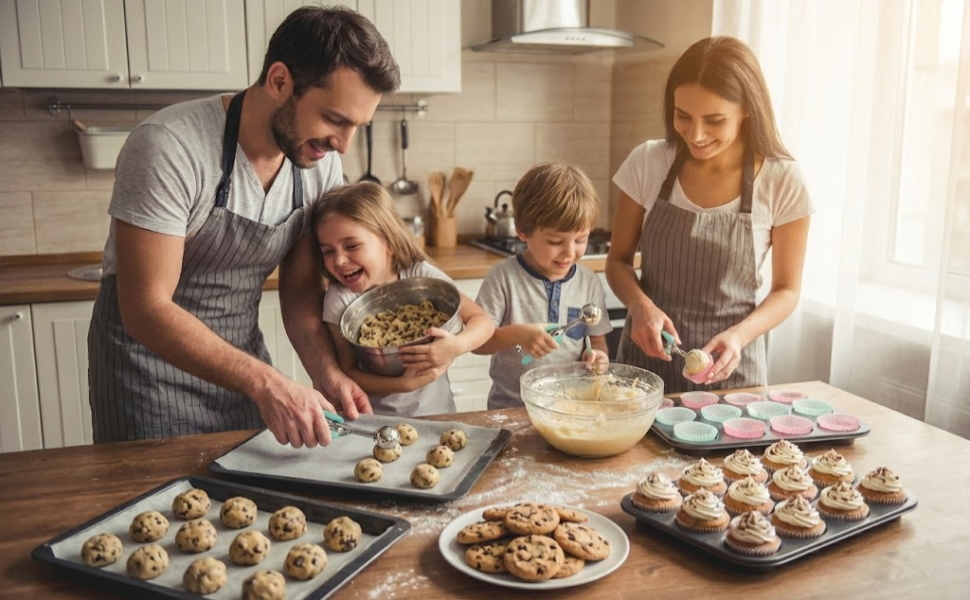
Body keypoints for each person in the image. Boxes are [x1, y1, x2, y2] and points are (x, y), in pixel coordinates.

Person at [87, 6, 401, 447]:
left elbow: (297, 291)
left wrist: (326, 374)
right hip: (146, 378)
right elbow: (145, 310)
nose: (342, 145)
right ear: (279, 81)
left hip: (241, 371)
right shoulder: (170, 147)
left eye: (357, 126)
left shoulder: (319, 164)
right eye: (334, 119)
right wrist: (267, 383)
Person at [606, 36, 814, 394]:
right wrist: (640, 307)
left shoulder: (783, 180)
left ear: (748, 108)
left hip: (732, 374)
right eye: (682, 116)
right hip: (644, 369)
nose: (696, 134)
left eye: (714, 120)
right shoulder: (648, 162)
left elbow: (787, 290)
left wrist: (739, 336)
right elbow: (618, 261)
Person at [313, 182, 495, 416]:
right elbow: (347, 371)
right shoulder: (339, 299)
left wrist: (456, 346)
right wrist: (404, 385)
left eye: (352, 245)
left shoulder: (421, 275)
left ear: (388, 242)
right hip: (375, 423)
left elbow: (483, 322)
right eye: (328, 251)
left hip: (438, 414)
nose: (338, 261)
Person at [474, 163, 613, 409]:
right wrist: (518, 334)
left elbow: (597, 341)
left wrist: (599, 358)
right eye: (555, 241)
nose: (569, 253)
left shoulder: (589, 282)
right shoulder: (503, 278)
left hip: (573, 407)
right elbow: (478, 344)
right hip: (511, 408)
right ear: (522, 231)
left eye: (581, 239)